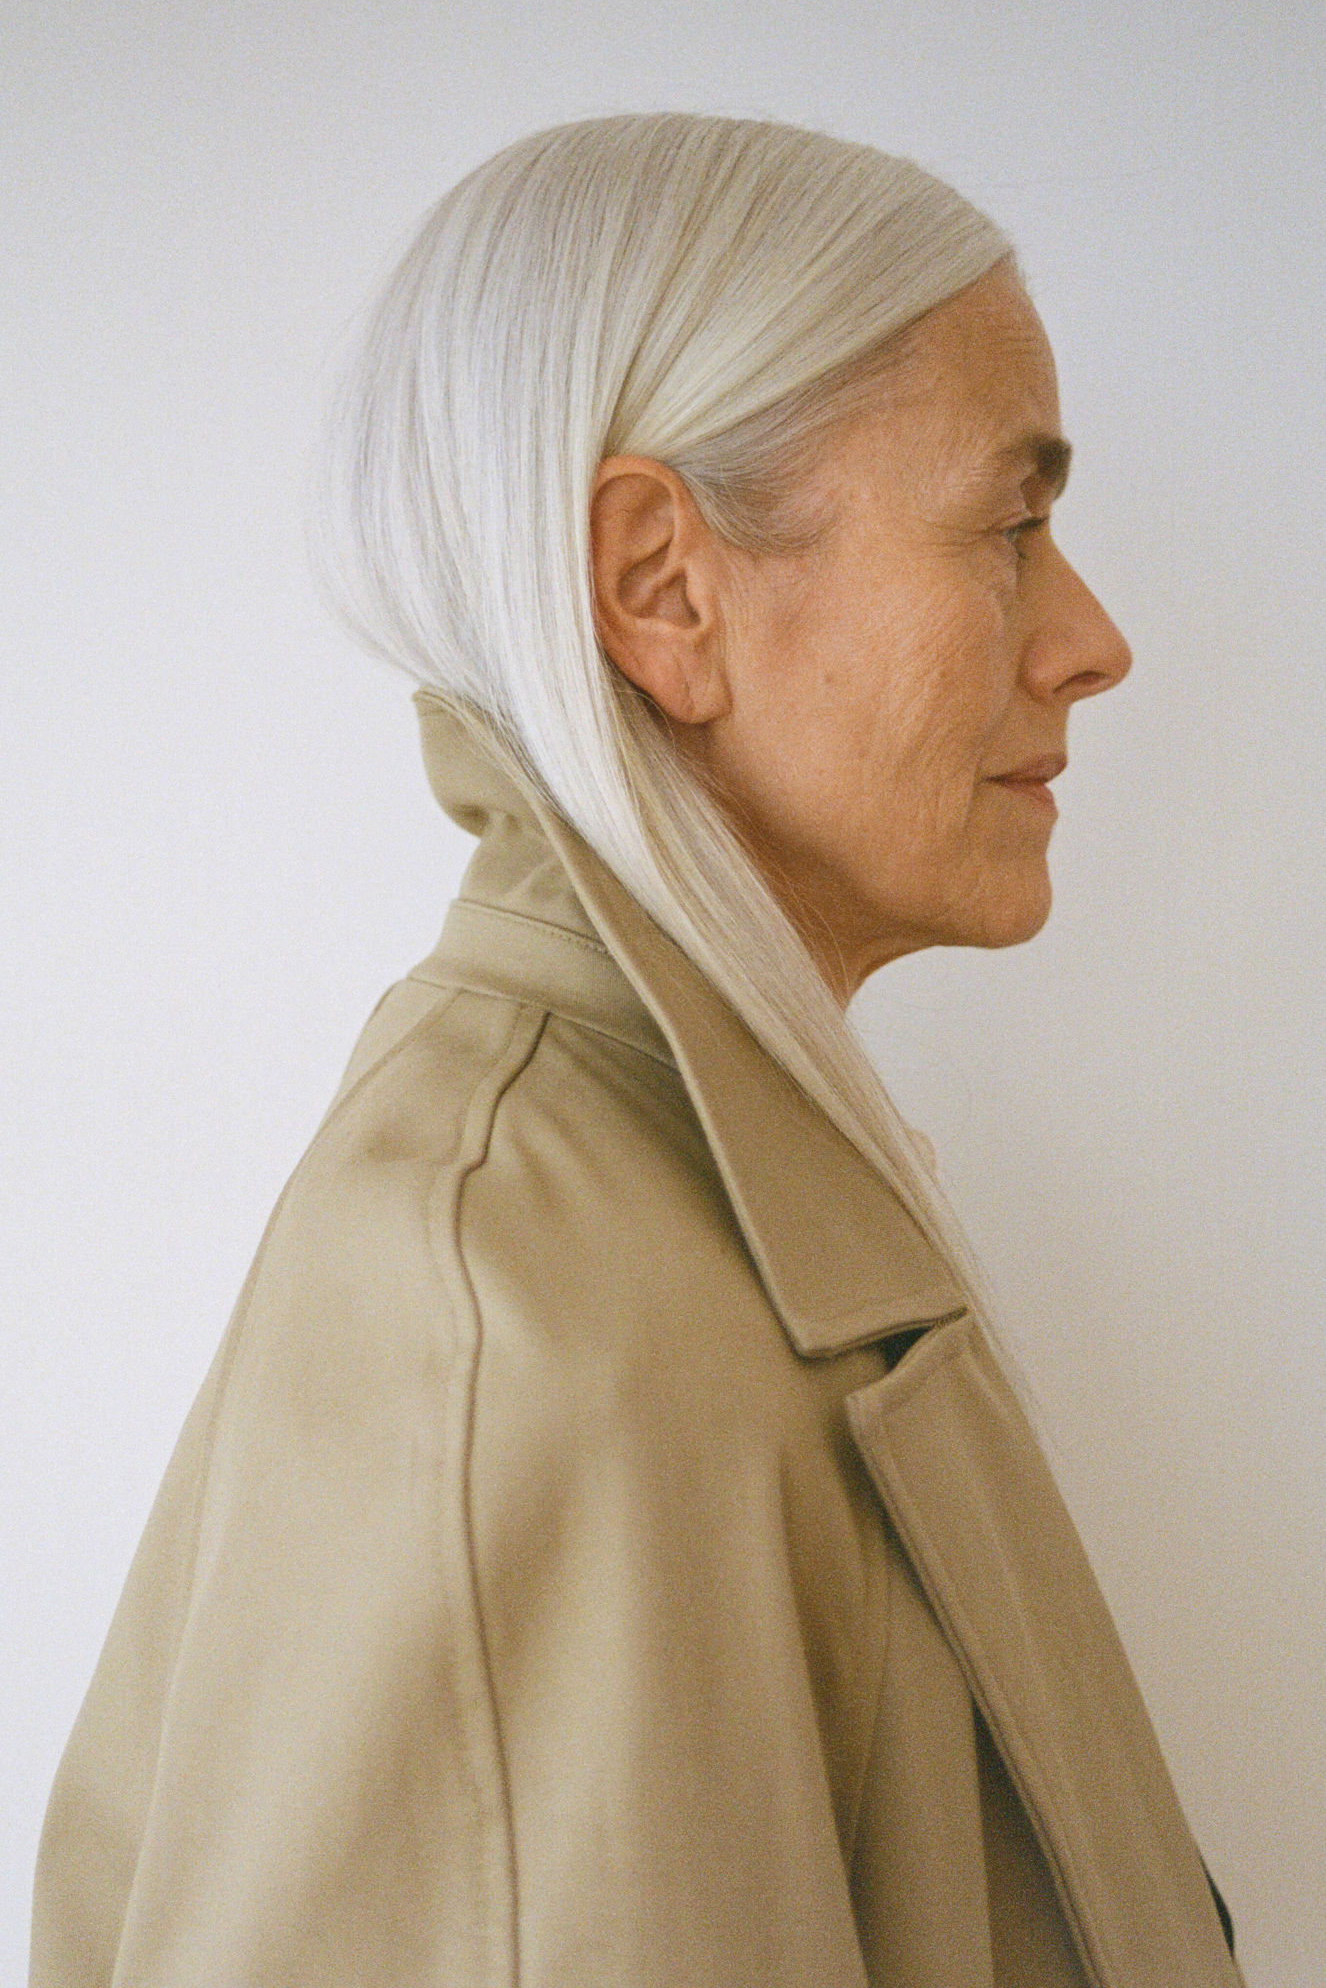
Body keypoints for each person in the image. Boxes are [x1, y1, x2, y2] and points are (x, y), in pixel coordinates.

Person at [30, 113, 1243, 1987]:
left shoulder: (673, 1211)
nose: (1089, 640)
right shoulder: (518, 1321)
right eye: (1009, 527)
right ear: (660, 584)